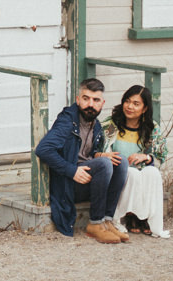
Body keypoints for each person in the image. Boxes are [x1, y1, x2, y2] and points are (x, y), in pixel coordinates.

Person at [34, 78, 129, 243]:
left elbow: (86, 154)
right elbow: (43, 149)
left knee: (120, 161)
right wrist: (72, 170)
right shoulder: (67, 121)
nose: (90, 104)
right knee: (104, 164)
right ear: (78, 100)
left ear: (102, 103)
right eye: (86, 99)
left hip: (86, 180)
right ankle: (96, 223)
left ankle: (107, 220)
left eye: (96, 100)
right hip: (67, 184)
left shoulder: (96, 125)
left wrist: (99, 155)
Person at [99, 84, 170, 238]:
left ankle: (145, 217)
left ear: (144, 109)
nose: (130, 106)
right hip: (118, 172)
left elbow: (161, 156)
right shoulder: (112, 124)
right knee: (132, 173)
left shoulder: (151, 128)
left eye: (136, 104)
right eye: (127, 101)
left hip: (141, 170)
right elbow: (100, 147)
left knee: (152, 172)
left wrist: (146, 157)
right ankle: (128, 214)